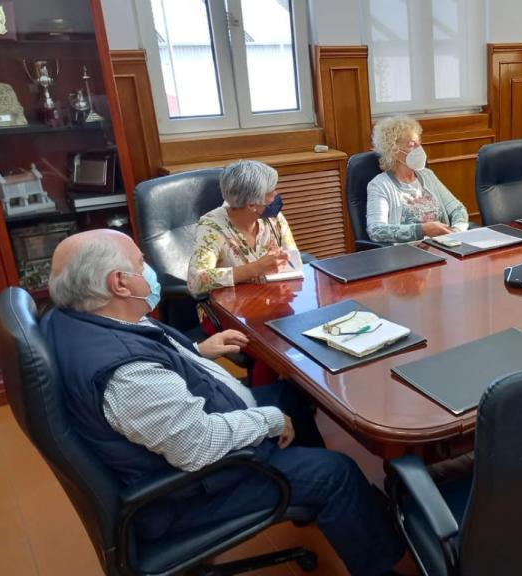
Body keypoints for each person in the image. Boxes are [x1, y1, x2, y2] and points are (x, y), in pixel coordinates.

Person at [43, 229, 418, 576]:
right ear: (119, 283)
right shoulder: (129, 373)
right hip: (190, 490)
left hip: (198, 428)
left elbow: (157, 370)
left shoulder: (85, 318)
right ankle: (379, 562)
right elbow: (197, 446)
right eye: (141, 263)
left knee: (292, 392)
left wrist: (196, 352)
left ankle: (322, 502)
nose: (149, 270)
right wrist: (270, 421)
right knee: (335, 472)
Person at [187, 159, 296, 296]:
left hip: (273, 299)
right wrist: (255, 269)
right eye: (271, 193)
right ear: (251, 205)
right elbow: (195, 280)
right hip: (230, 308)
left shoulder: (275, 219)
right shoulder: (212, 227)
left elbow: (294, 261)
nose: (276, 196)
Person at [367, 115, 469, 243]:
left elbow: (458, 209)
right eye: (411, 145)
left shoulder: (427, 175)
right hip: (408, 254)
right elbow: (376, 230)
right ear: (393, 150)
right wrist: (423, 230)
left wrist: (456, 232)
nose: (419, 150)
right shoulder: (379, 185)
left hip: (444, 246)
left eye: (419, 144)